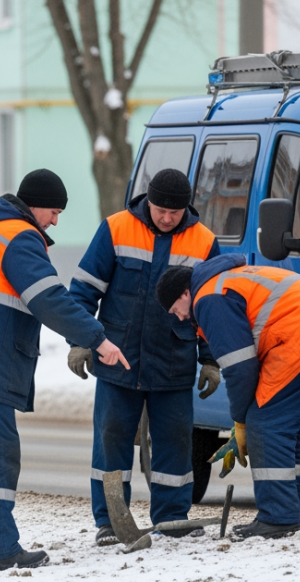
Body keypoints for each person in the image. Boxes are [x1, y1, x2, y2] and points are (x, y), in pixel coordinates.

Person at [0, 169, 129, 572]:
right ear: (35, 205)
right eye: (53, 211)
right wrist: (97, 338)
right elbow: (50, 299)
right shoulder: (19, 237)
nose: (55, 221)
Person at [155, 254, 300, 540]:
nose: (178, 316)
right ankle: (286, 513)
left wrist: (241, 422)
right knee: (286, 422)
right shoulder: (223, 281)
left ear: (184, 293)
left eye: (175, 309)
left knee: (266, 421)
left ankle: (278, 518)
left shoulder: (208, 298)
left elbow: (240, 369)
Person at [66, 169, 220, 546]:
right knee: (111, 437)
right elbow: (84, 290)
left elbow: (211, 306)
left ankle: (172, 516)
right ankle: (110, 521)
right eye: (159, 210)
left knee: (175, 441)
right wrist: (82, 340)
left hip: (174, 360)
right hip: (118, 359)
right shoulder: (116, 228)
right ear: (146, 201)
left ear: (187, 208)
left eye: (174, 211)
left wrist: (211, 359)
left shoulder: (204, 242)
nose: (166, 218)